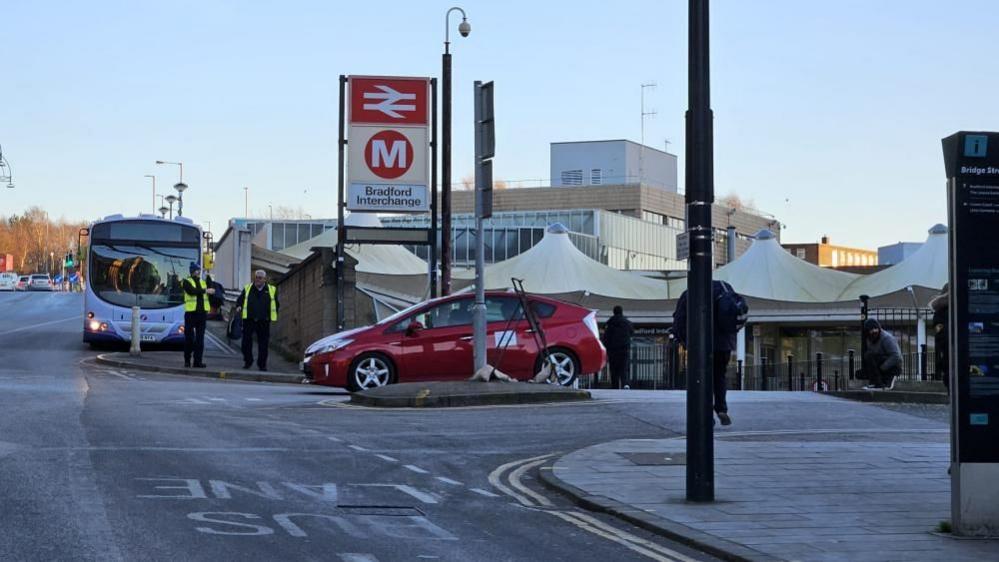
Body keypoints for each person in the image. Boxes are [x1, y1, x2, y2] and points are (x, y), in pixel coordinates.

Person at [672, 280, 748, 426]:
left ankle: (706, 413)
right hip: (724, 344)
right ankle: (721, 408)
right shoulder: (726, 289)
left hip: (700, 344)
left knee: (701, 379)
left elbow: (680, 320)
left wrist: (682, 339)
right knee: (719, 375)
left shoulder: (690, 293)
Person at [235, 270, 279, 371]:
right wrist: (238, 306)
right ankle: (248, 361)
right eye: (256, 277)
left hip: (263, 321)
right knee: (245, 343)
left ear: (265, 279)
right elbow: (240, 300)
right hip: (249, 319)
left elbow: (276, 304)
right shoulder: (248, 288)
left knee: (263, 344)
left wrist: (269, 316)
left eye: (260, 278)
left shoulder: (272, 290)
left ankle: (262, 365)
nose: (258, 279)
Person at [182, 262, 214, 368]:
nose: (198, 272)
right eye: (197, 270)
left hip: (202, 314)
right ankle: (187, 360)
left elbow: (211, 289)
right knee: (189, 339)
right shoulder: (186, 281)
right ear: (192, 271)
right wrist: (205, 290)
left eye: (199, 270)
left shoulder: (203, 282)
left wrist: (208, 277)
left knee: (200, 340)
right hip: (191, 314)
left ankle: (197, 362)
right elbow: (191, 291)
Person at [862, 319, 902, 390]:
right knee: (868, 356)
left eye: (875, 329)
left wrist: (882, 368)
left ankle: (884, 382)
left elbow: (896, 356)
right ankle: (875, 382)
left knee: (870, 356)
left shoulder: (887, 338)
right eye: (871, 330)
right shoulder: (869, 339)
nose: (874, 332)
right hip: (880, 364)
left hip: (893, 367)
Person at [601, 306, 634, 389]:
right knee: (624, 367)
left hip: (612, 349)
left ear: (614, 312)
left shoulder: (610, 323)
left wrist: (606, 346)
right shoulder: (627, 322)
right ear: (621, 312)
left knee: (613, 368)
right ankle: (625, 383)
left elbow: (606, 336)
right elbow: (632, 333)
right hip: (624, 348)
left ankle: (614, 385)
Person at [930, 284, 949, 393]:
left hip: (947, 352)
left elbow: (939, 332)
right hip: (948, 351)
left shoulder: (939, 312)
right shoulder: (941, 312)